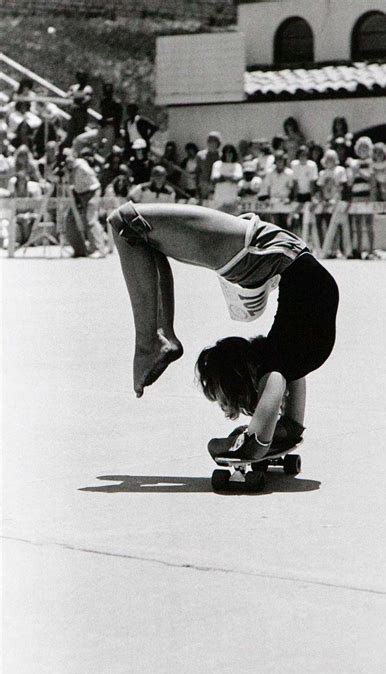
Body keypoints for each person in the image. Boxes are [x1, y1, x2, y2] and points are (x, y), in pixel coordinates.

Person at [108, 203, 338, 460]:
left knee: (131, 227)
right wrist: (255, 439)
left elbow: (291, 425)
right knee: (127, 222)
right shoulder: (279, 365)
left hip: (280, 256)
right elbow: (282, 411)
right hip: (267, 254)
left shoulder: (290, 361)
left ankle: (158, 338)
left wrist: (262, 436)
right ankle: (153, 341)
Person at [346, 136, 375, 259]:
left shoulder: (371, 162)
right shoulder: (355, 163)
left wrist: (358, 171)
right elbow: (350, 182)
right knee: (357, 224)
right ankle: (357, 249)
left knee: (368, 224)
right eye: (361, 147)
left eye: (366, 147)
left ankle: (371, 250)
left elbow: (371, 179)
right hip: (356, 196)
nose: (363, 150)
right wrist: (353, 171)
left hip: (367, 196)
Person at [258, 150, 295, 228]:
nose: (279, 163)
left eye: (281, 160)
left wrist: (289, 199)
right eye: (278, 160)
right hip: (273, 202)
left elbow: (292, 188)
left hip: (285, 202)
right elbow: (266, 187)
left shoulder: (289, 173)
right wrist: (267, 198)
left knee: (285, 226)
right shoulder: (270, 173)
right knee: (274, 226)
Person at [210, 143, 242, 209]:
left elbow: (237, 179)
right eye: (227, 152)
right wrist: (230, 178)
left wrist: (223, 177)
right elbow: (215, 179)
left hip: (232, 199)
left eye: (231, 152)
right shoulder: (217, 164)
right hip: (219, 199)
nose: (229, 154)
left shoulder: (238, 166)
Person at [196, 131, 221, 200]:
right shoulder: (200, 155)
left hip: (216, 185)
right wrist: (197, 188)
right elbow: (197, 172)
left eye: (214, 141)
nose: (212, 143)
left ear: (218, 143)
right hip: (204, 184)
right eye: (210, 141)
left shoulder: (221, 156)